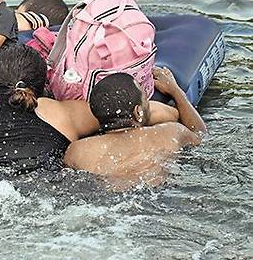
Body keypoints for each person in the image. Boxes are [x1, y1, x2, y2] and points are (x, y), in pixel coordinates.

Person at [0, 44, 180, 171]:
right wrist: (171, 99)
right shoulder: (66, 112)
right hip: (51, 187)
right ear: (44, 84)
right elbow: (145, 113)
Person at [63, 69, 207, 189]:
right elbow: (200, 134)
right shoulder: (171, 132)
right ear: (138, 112)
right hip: (161, 197)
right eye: (146, 101)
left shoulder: (77, 151)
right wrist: (175, 91)